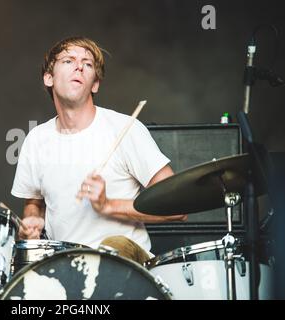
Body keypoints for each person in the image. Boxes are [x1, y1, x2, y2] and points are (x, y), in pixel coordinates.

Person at [11, 36, 186, 265]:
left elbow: (179, 206)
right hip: (63, 266)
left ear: (95, 84)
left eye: (88, 63)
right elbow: (34, 202)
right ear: (49, 78)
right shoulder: (36, 140)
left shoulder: (125, 129)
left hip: (127, 264)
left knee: (114, 246)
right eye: (68, 60)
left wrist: (108, 205)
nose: (79, 66)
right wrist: (32, 221)